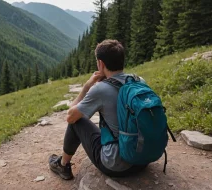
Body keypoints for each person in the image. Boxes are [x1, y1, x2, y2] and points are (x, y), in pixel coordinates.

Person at [48, 39, 147, 180]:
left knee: (77, 120)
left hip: (117, 165)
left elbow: (71, 116)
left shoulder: (101, 89)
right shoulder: (138, 81)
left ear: (100, 64)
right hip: (144, 158)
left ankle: (63, 165)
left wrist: (87, 86)